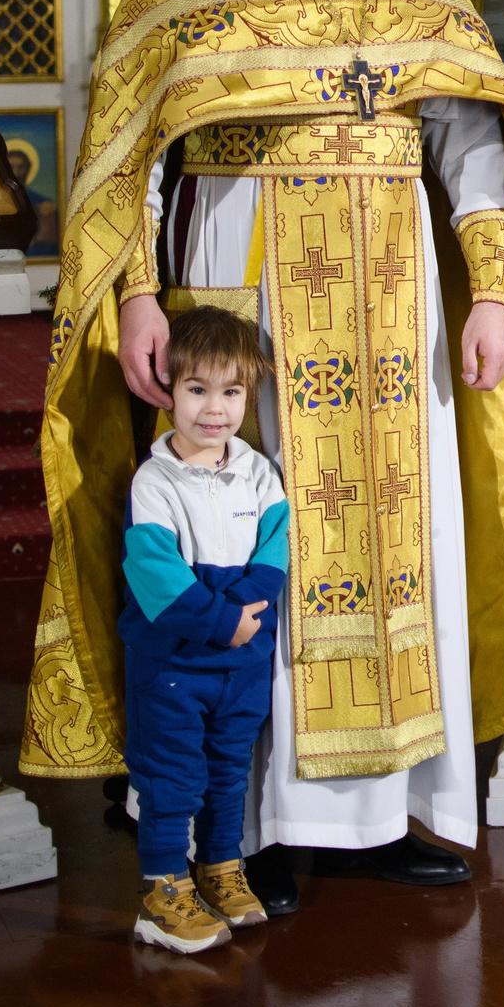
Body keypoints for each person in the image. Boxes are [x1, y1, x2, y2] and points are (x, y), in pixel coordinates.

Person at [26, 0, 504, 913]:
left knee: (397, 541)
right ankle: (248, 825)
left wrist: (490, 293)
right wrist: (136, 293)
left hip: (396, 310)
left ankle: (382, 819)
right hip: (246, 297)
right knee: (247, 534)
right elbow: (134, 148)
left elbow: (470, 146)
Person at [119, 306, 290, 953]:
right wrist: (224, 620)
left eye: (231, 392)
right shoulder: (154, 482)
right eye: (197, 389)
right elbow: (156, 574)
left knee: (227, 774)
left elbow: (273, 555)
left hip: (240, 666)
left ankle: (220, 868)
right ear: (169, 388)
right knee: (172, 777)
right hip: (174, 665)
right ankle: (163, 892)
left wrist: (246, 614)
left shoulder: (259, 473)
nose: (214, 409)